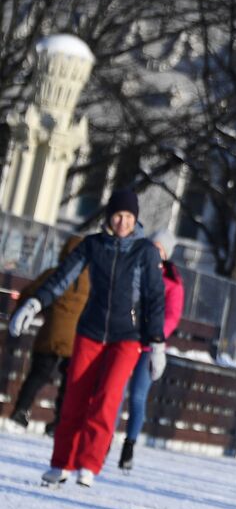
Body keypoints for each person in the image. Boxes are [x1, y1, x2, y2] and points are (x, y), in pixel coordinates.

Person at [10, 190, 167, 487]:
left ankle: (89, 464)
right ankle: (61, 464)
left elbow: (155, 297)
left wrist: (157, 342)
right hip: (91, 331)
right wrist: (35, 303)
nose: (123, 222)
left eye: (129, 217)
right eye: (118, 215)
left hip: (127, 336)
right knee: (74, 398)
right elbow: (63, 277)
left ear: (136, 220)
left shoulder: (144, 251)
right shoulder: (93, 246)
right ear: (109, 216)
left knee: (107, 399)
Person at [6, 235, 88, 431]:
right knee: (69, 381)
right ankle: (59, 420)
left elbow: (30, 292)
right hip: (75, 339)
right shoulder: (91, 280)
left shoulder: (54, 273)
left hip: (50, 333)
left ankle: (22, 409)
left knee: (38, 374)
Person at [117, 236, 185, 471]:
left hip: (149, 346)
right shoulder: (134, 270)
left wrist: (156, 335)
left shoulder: (172, 283)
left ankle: (129, 444)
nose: (154, 254)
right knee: (116, 392)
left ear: (166, 254)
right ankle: (103, 440)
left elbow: (172, 317)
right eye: (152, 248)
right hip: (127, 339)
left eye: (159, 250)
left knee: (137, 396)